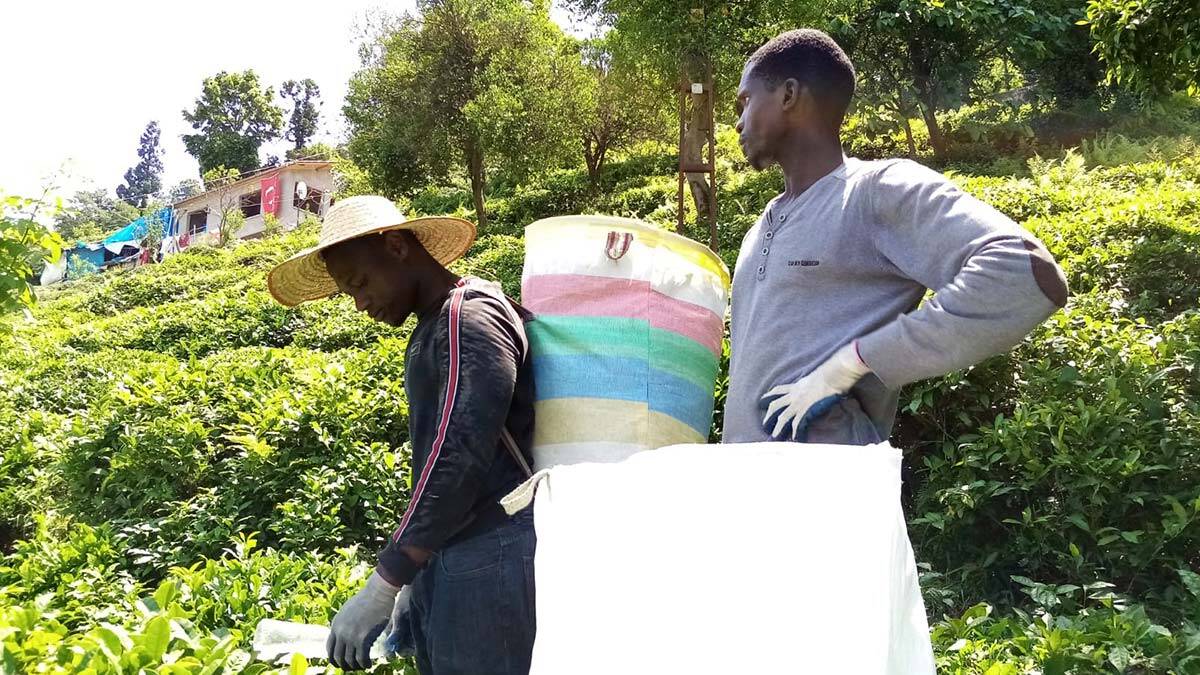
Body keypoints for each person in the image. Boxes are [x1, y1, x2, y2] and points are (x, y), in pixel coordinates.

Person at [725, 29, 1068, 445]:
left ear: (788, 95)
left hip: (826, 495)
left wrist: (852, 362)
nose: (738, 121)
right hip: (742, 489)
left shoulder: (876, 192)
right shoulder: (760, 226)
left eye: (745, 101)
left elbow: (1026, 274)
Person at [267, 196, 537, 674]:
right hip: (456, 555)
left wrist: (386, 581)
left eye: (361, 283)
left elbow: (459, 456)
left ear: (395, 247)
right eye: (348, 294)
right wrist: (416, 576)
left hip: (490, 554)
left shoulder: (467, 317)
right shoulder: (433, 326)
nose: (361, 303)